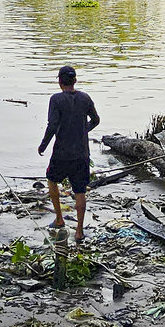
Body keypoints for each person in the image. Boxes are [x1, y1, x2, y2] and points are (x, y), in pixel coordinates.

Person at [38, 65, 100, 242]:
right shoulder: (85, 98)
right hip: (81, 153)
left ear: (59, 81)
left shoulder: (56, 100)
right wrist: (83, 131)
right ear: (75, 81)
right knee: (80, 190)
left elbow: (52, 126)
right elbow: (96, 120)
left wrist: (43, 145)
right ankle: (79, 231)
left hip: (61, 152)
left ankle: (59, 219)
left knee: (51, 180)